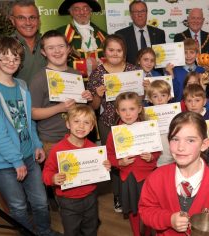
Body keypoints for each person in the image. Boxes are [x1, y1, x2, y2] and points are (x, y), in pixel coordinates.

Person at [0, 36, 58, 236]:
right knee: (18, 206)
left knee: (41, 202)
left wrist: (36, 144)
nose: (11, 62)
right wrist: (17, 161)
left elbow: (27, 121)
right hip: (5, 163)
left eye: (15, 58)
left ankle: (44, 232)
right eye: (5, 58)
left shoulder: (22, 86)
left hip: (29, 156)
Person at [139, 112, 209, 235]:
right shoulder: (156, 178)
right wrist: (169, 219)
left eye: (190, 140)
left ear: (204, 145)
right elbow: (146, 211)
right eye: (175, 139)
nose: (180, 147)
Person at [87, 34, 137, 213]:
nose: (115, 53)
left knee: (132, 158)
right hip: (108, 123)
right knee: (115, 161)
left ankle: (132, 191)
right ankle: (117, 194)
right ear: (104, 52)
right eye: (111, 50)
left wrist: (143, 88)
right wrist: (98, 95)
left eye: (119, 50)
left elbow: (139, 100)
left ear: (124, 52)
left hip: (131, 123)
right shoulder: (98, 73)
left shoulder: (133, 69)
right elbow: (93, 106)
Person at [42, 105, 111, 236]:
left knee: (91, 228)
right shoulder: (58, 149)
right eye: (76, 121)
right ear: (68, 124)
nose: (81, 126)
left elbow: (99, 170)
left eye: (86, 122)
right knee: (71, 231)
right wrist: (52, 178)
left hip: (90, 196)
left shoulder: (93, 149)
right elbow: (46, 172)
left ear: (91, 128)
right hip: (68, 200)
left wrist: (105, 166)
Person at [31, 30, 93, 159]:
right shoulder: (39, 78)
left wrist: (87, 98)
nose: (57, 51)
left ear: (68, 49)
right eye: (51, 48)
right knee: (57, 178)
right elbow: (33, 113)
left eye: (61, 46)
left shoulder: (76, 75)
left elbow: (80, 108)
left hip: (78, 137)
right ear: (43, 52)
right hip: (52, 141)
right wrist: (59, 108)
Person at [107, 92, 160, 235]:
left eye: (132, 109)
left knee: (150, 208)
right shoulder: (115, 133)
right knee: (133, 210)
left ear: (140, 109)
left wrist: (151, 157)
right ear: (117, 111)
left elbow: (157, 150)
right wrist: (120, 162)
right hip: (128, 178)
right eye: (123, 110)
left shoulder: (148, 128)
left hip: (148, 177)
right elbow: (109, 156)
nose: (128, 114)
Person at [0, 0, 46, 84]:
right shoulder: (2, 46)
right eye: (21, 18)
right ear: (13, 21)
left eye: (32, 17)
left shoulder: (49, 44)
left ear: (39, 20)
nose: (28, 23)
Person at [57, 0, 107, 78]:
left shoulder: (103, 35)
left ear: (91, 10)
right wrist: (84, 66)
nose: (82, 12)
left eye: (85, 8)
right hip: (73, 84)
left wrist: (100, 64)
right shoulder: (60, 34)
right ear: (70, 12)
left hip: (100, 84)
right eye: (76, 9)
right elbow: (55, 61)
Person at [116, 1, 166, 65]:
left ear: (146, 13)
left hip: (155, 73)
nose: (140, 15)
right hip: (131, 73)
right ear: (131, 15)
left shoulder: (159, 33)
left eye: (142, 11)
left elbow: (162, 57)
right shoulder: (121, 35)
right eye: (136, 12)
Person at [145, 80, 174, 167]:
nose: (160, 99)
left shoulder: (175, 112)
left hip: (174, 156)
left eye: (163, 95)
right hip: (157, 160)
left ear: (169, 97)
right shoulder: (146, 116)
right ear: (150, 99)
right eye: (155, 96)